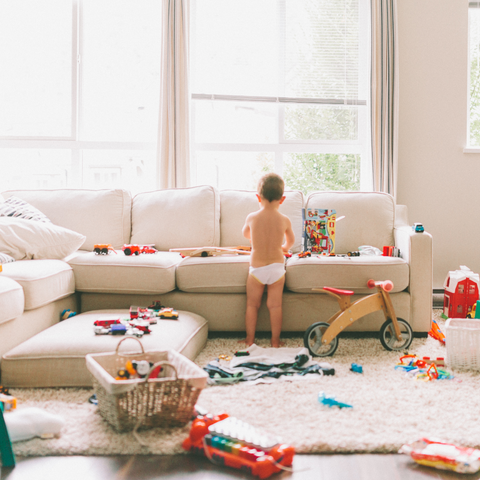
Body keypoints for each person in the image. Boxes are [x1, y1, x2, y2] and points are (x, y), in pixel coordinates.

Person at [240, 173, 295, 347]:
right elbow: (291, 241)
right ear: (282, 199)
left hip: (257, 269)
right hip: (277, 268)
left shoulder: (252, 217)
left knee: (252, 305)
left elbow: (245, 234)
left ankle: (250, 340)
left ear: (258, 197)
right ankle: (275, 341)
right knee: (275, 306)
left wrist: (254, 239)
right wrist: (283, 248)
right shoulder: (284, 219)